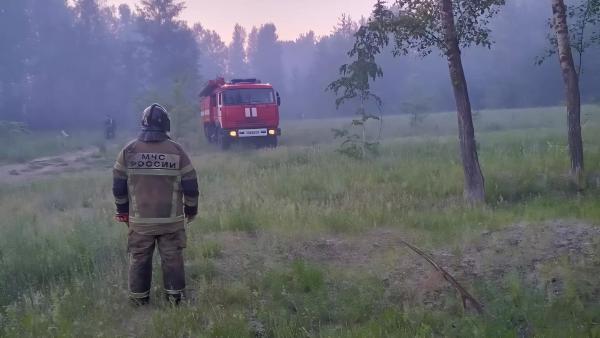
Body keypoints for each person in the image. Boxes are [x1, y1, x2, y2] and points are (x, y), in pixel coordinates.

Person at [112, 103, 199, 305]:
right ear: (165, 124)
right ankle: (175, 299)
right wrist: (191, 209)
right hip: (171, 222)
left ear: (143, 124)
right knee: (173, 259)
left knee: (139, 259)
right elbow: (191, 184)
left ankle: (139, 301)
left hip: (140, 223)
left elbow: (118, 186)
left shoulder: (128, 151)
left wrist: (123, 211)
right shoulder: (177, 151)